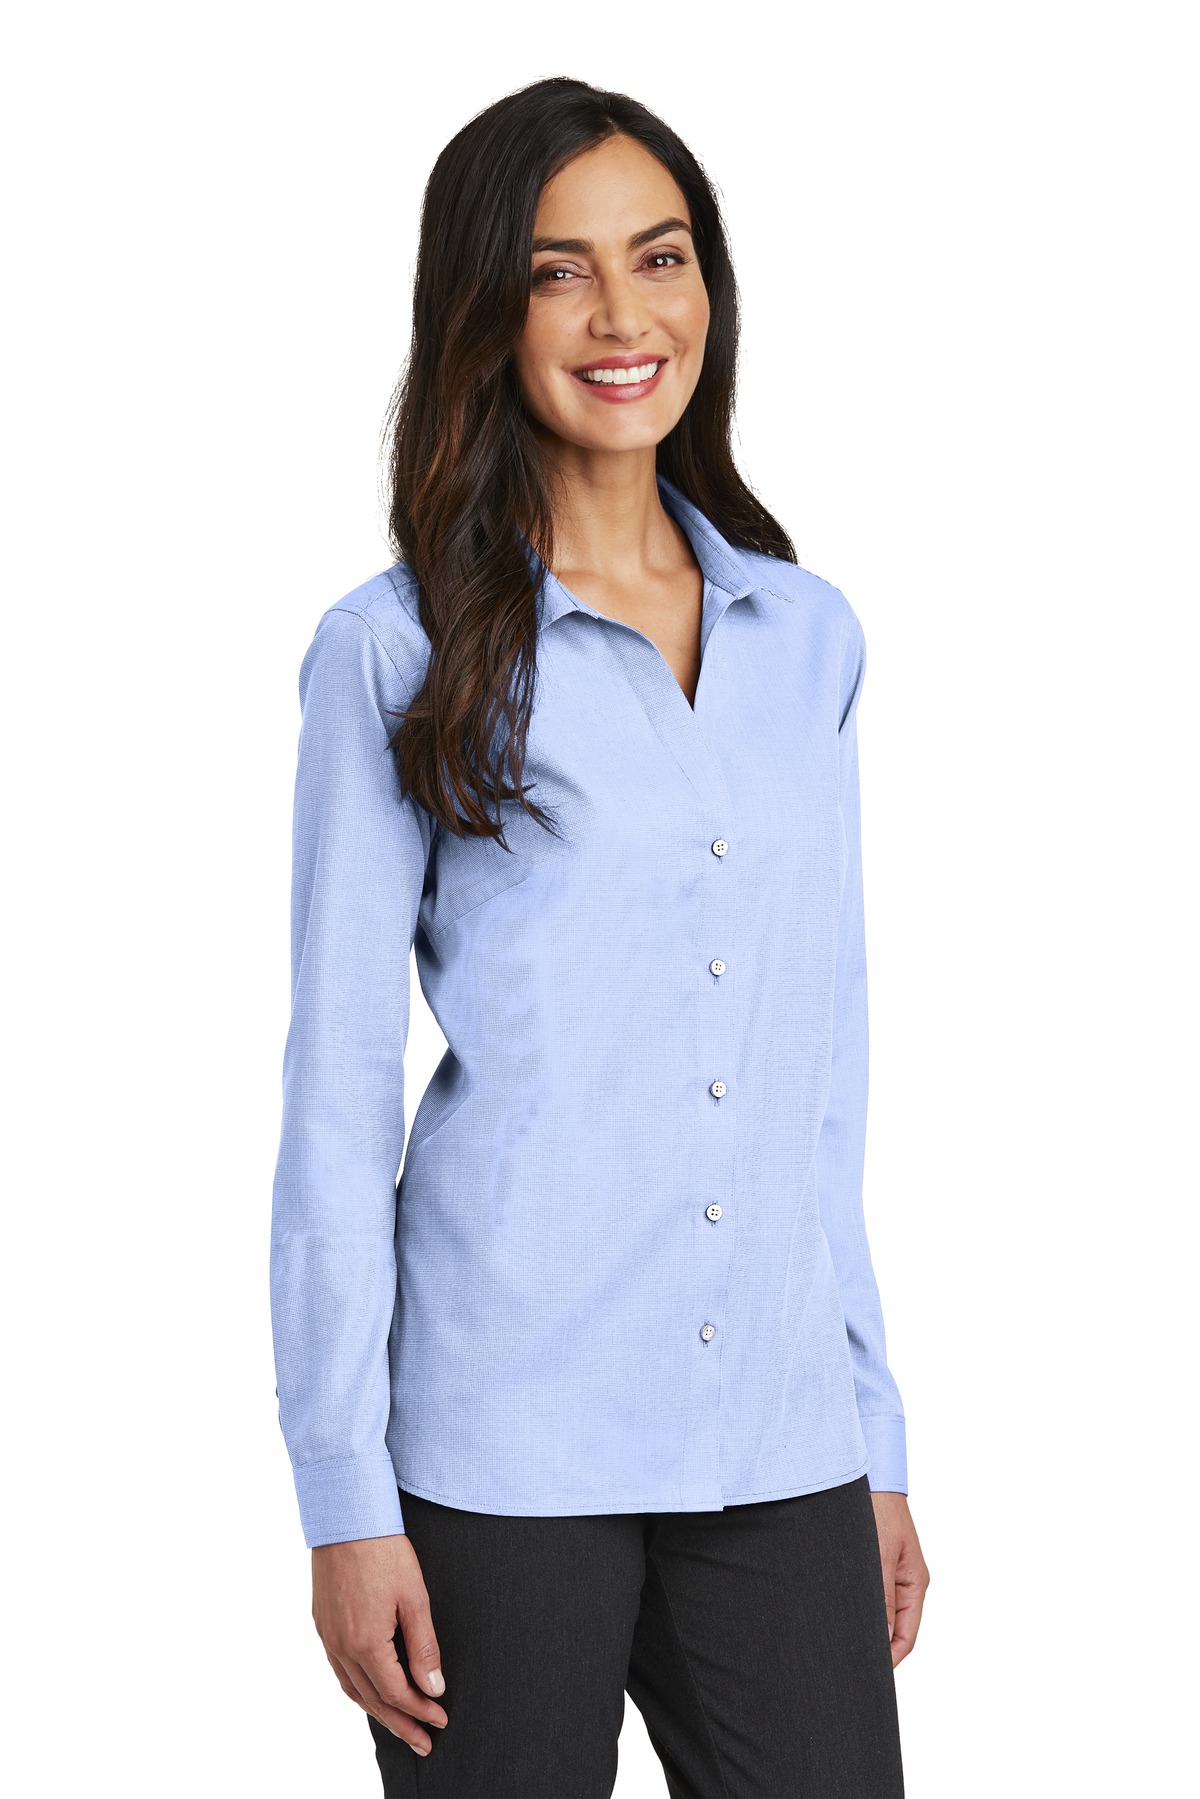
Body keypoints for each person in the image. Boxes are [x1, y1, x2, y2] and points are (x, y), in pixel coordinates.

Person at [270, 74, 930, 1799]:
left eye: (661, 256)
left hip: (776, 1436)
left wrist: (870, 1433)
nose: (625, 317)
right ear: (484, 313)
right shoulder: (394, 651)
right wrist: (343, 1496)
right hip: (501, 1451)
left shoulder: (808, 637)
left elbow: (820, 1074)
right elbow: (337, 1097)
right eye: (559, 272)